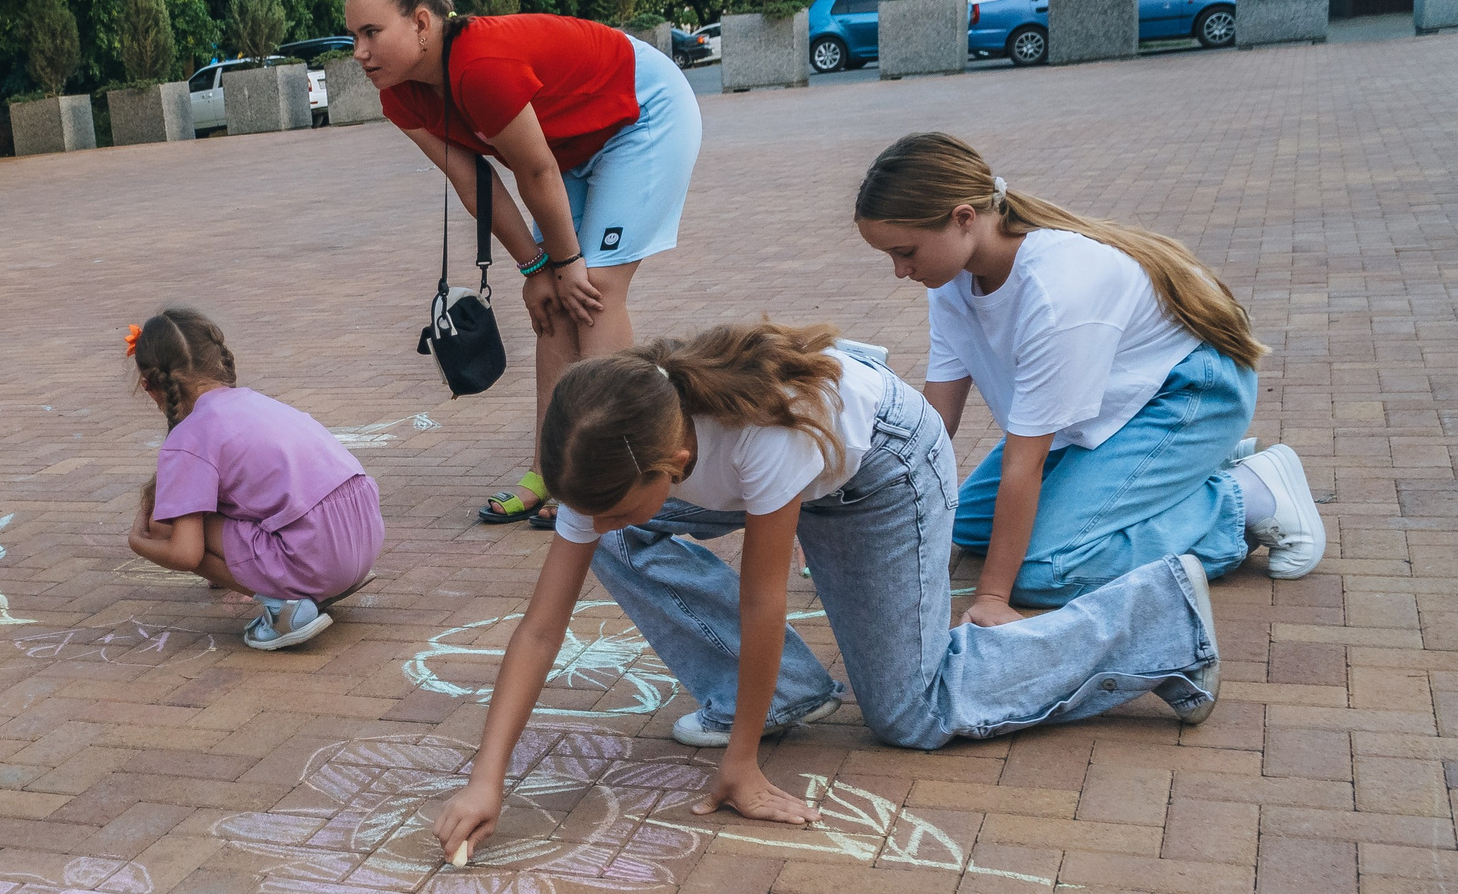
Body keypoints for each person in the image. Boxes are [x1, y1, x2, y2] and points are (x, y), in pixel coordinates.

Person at [432, 325, 1223, 856]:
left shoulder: (762, 437)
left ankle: (1159, 617)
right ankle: (780, 696)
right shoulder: (612, 449)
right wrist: (487, 777)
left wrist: (739, 767)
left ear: (673, 461)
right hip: (769, 465)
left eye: (612, 504)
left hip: (880, 472)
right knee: (613, 541)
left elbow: (762, 596)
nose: (595, 523)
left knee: (912, 712)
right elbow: (540, 629)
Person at [854, 132, 1323, 617]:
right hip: (1109, 407)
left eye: (905, 251)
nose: (899, 270)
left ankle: (1247, 498)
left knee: (1044, 570)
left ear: (964, 219)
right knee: (967, 523)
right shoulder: (949, 281)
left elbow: (1025, 462)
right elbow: (935, 423)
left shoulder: (1056, 289)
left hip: (1192, 395)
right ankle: (1184, 470)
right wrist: (852, 501)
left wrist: (993, 596)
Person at [345, 0, 703, 531]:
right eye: (353, 36)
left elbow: (534, 170)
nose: (359, 52)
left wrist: (564, 263)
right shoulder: (399, 92)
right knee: (558, 302)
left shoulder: (480, 64)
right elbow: (474, 181)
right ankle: (551, 472)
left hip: (642, 116)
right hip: (573, 148)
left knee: (593, 292)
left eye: (371, 32)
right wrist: (535, 269)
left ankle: (616, 469)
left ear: (420, 24)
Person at [125, 307, 385, 650]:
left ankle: (283, 606)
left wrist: (136, 542)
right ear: (218, 360)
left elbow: (186, 554)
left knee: (166, 529)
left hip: (318, 557)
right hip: (362, 540)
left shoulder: (188, 437)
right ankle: (313, 584)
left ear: (150, 386)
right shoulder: (255, 402)